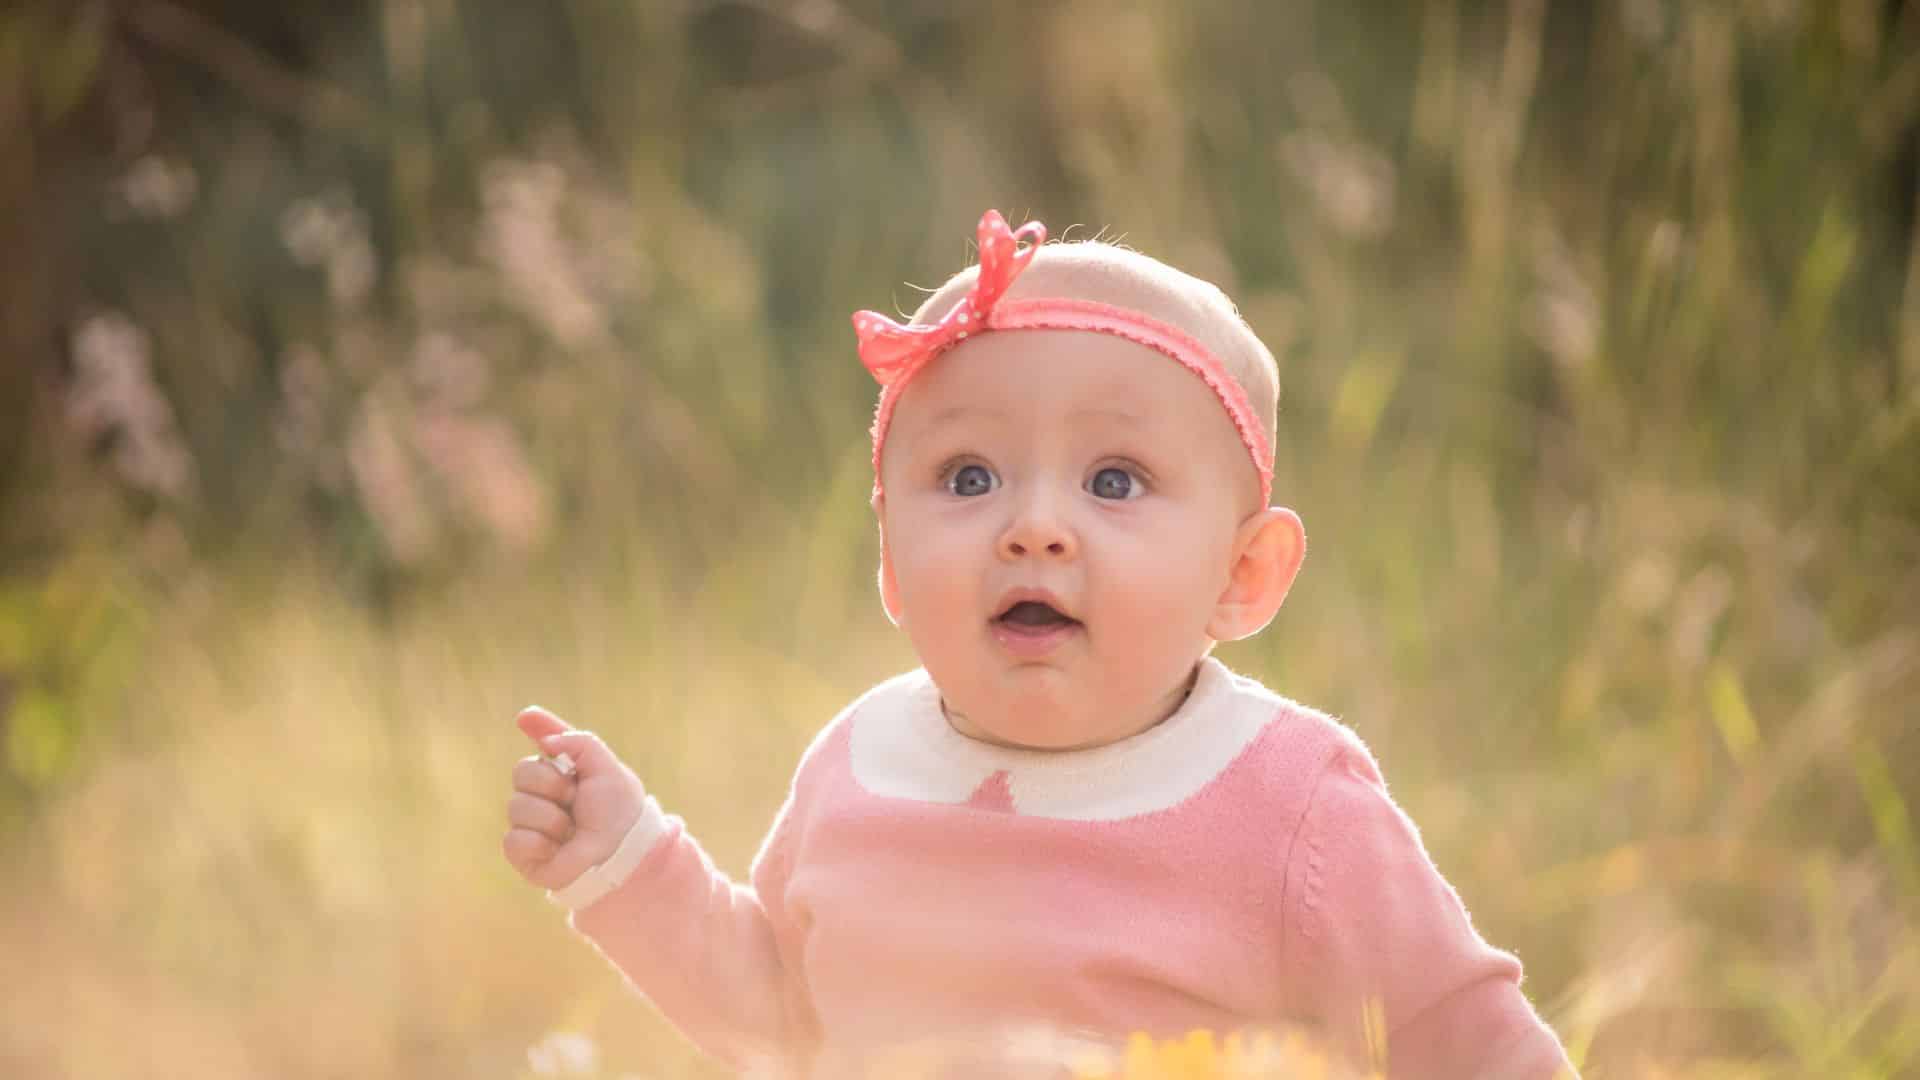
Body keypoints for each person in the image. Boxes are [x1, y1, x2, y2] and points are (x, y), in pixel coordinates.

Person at [502, 210, 1576, 1079]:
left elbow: (1472, 1049)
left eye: (1116, 481)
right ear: (888, 558)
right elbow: (780, 1023)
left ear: (1243, 576)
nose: (1034, 525)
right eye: (969, 478)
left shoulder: (1291, 806)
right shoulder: (860, 769)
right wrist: (625, 864)